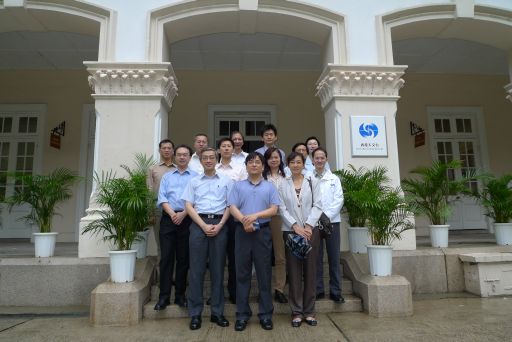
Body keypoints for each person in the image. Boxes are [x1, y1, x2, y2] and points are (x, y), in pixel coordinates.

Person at [228, 152, 280, 332]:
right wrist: (244, 221)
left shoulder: (270, 187)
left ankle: (266, 315)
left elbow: (274, 209)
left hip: (262, 234)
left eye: (257, 162)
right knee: (241, 275)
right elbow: (232, 206)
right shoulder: (238, 186)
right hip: (242, 233)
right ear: (246, 166)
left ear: (263, 166)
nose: (254, 165)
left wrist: (254, 217)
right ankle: (242, 315)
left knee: (264, 275)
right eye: (250, 162)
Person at [182, 147, 233, 330]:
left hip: (220, 223)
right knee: (196, 271)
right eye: (205, 158)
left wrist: (219, 226)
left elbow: (230, 205)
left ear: (217, 159)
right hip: (198, 224)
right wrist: (203, 225)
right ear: (201, 160)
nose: (209, 160)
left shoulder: (227, 181)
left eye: (212, 157)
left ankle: (217, 313)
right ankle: (195, 314)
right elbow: (188, 205)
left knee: (218, 270)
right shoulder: (193, 181)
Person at [278, 151, 322, 328]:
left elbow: (318, 205)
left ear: (304, 164)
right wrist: (295, 226)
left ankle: (309, 311)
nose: (295, 165)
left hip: (311, 231)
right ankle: (296, 311)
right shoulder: (282, 184)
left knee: (311, 270)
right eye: (292, 162)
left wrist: (309, 226)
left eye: (299, 162)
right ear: (287, 164)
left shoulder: (313, 181)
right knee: (294, 271)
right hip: (291, 231)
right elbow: (281, 207)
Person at [154, 144, 197, 311]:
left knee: (183, 259)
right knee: (166, 259)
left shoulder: (195, 177)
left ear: (190, 157)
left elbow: (196, 199)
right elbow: (162, 198)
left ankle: (180, 295)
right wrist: (173, 214)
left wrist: (183, 214)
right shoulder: (167, 177)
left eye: (185, 155)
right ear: (174, 156)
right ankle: (163, 297)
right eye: (179, 154)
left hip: (187, 219)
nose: (181, 157)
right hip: (168, 219)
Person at [216, 137, 247, 304]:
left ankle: (234, 292)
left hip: (235, 217)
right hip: (217, 215)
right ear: (219, 150)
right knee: (217, 257)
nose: (227, 148)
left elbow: (243, 189)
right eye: (223, 146)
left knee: (235, 256)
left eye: (229, 146)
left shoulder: (241, 169)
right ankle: (217, 293)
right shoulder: (213, 167)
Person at [312, 147, 345, 304]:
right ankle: (318, 290)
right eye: (316, 158)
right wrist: (317, 216)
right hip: (314, 223)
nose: (319, 160)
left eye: (322, 158)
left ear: (326, 159)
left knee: (334, 258)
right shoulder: (307, 178)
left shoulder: (334, 179)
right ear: (312, 160)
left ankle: (335, 291)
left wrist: (326, 216)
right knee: (316, 258)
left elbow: (339, 199)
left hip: (332, 223)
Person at [262, 147, 288, 304]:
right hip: (263, 218)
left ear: (281, 159)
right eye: (270, 157)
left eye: (276, 157)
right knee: (263, 256)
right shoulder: (261, 177)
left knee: (280, 256)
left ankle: (279, 288)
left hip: (281, 218)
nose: (273, 160)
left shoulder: (287, 176)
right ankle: (263, 288)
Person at [147, 139, 176, 254]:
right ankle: (161, 268)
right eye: (164, 148)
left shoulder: (178, 169)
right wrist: (150, 212)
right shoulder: (152, 169)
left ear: (173, 151)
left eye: (169, 148)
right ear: (159, 150)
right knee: (161, 242)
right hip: (158, 210)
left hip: (176, 210)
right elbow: (149, 190)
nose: (167, 150)